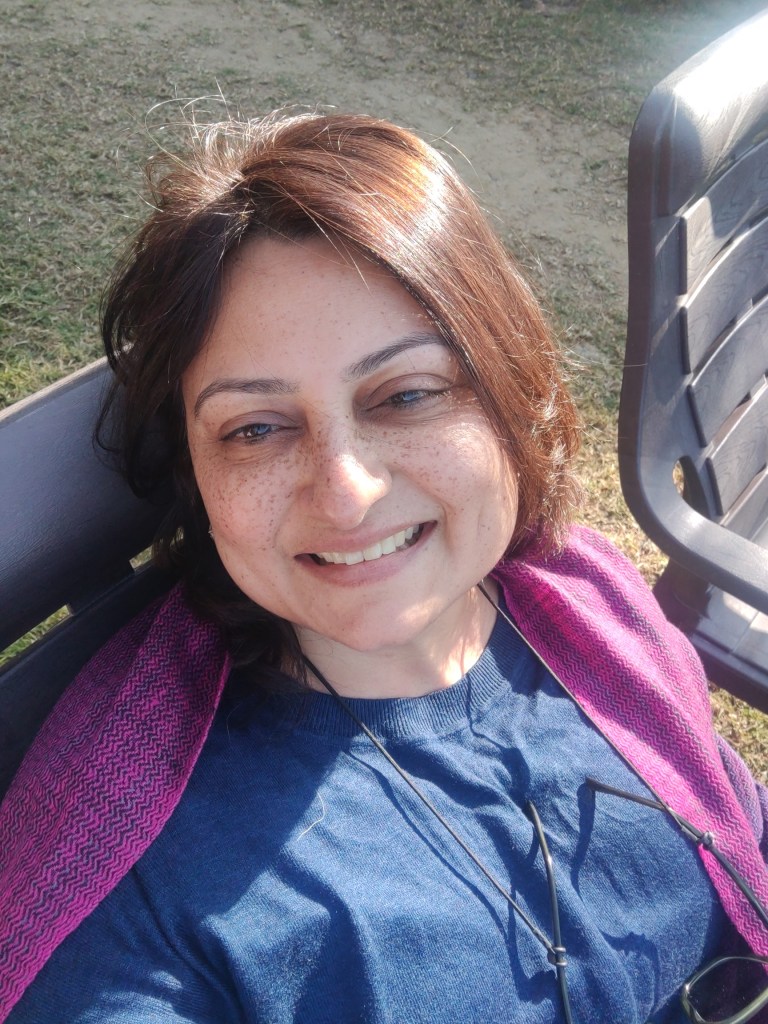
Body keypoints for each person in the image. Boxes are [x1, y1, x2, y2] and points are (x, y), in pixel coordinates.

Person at [1, 110, 766, 1024]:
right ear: (194, 476)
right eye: (256, 428)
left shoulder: (590, 606)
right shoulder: (148, 895)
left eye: (406, 395)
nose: (347, 492)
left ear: (511, 394)